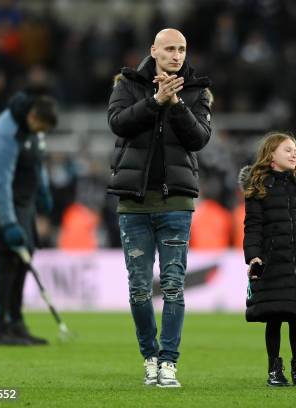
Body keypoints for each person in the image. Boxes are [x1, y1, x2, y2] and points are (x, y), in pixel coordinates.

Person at [107, 28, 212, 388]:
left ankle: (168, 362)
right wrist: (154, 101)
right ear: (153, 50)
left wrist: (177, 104)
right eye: (169, 48)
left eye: (182, 49)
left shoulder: (197, 90)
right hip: (134, 203)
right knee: (139, 289)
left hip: (176, 203)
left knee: (173, 286)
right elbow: (117, 123)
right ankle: (149, 357)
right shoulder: (128, 82)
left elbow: (198, 139)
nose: (176, 55)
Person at [239, 132, 296, 387]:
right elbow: (252, 227)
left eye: (295, 150)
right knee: (274, 315)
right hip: (272, 262)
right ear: (271, 156)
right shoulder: (258, 188)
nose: (294, 154)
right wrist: (253, 257)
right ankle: (274, 368)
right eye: (288, 150)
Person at [0, 90, 58, 346]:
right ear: (32, 115)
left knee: (24, 263)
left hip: (25, 206)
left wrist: (43, 190)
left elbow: (38, 163)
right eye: (41, 127)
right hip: (3, 206)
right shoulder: (5, 133)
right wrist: (7, 223)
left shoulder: (33, 130)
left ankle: (15, 322)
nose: (41, 133)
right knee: (8, 263)